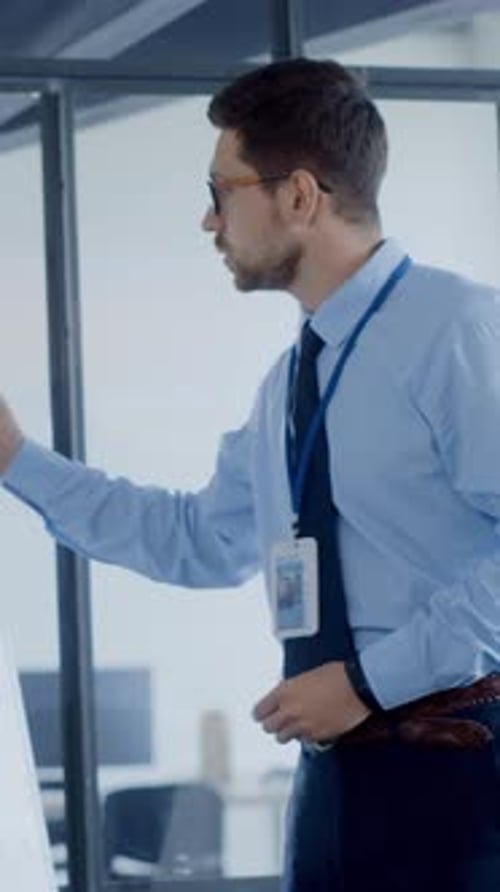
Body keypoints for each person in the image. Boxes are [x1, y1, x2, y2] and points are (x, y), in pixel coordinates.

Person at [1, 57, 500, 891]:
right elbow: (197, 540)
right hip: (334, 781)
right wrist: (18, 460)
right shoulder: (288, 388)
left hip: (461, 770)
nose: (207, 220)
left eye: (221, 190)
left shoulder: (461, 332)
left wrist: (369, 681)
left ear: (300, 196)